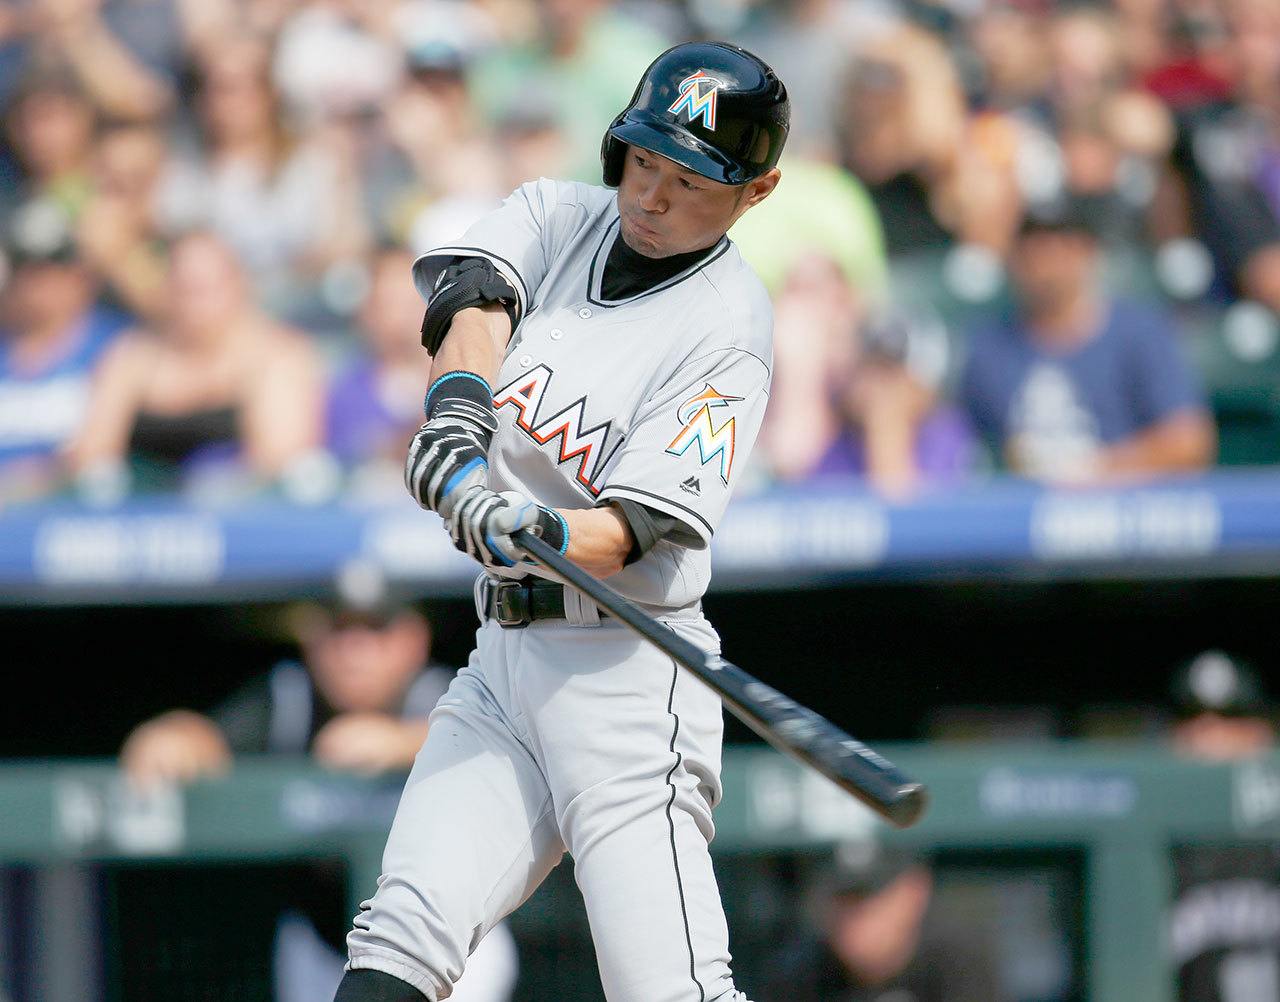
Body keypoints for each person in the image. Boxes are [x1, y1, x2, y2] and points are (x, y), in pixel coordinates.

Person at [336, 41, 788, 1002]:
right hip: (503, 662)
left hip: (630, 677)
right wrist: (459, 413)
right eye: (645, 162)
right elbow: (473, 300)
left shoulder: (730, 332)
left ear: (757, 191)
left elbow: (631, 533)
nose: (652, 197)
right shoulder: (559, 212)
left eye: (692, 180)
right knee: (396, 945)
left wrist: (526, 523)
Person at [120, 595, 519, 1002]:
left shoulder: (447, 691)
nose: (355, 652)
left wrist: (402, 741)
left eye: (375, 630)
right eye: (340, 631)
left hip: (452, 948)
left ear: (413, 639)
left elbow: (510, 742)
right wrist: (175, 734)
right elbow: (211, 738)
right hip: (323, 947)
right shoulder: (290, 698)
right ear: (311, 639)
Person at [960, 209, 1216, 484]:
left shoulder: (1140, 333)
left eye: (1062, 250)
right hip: (1021, 513)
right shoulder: (991, 346)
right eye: (1036, 251)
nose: (1047, 266)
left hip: (1125, 507)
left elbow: (1189, 442)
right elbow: (960, 437)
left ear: (1088, 254)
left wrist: (1096, 470)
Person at [67, 229, 323, 494]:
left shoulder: (276, 355)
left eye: (205, 288)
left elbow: (278, 459)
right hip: (146, 515)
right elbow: (91, 454)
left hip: (239, 516)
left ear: (238, 285)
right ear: (166, 288)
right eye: (184, 288)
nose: (194, 304)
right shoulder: (132, 355)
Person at [1166, 650, 1280, 1002]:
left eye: (1230, 717)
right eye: (1192, 718)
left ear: (1263, 733)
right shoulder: (1153, 854)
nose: (1208, 733)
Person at [760, 843, 1003, 1002]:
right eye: (843, 899)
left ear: (914, 892)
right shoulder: (799, 977)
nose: (853, 916)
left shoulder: (957, 963)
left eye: (867, 899)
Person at [0, 198, 126, 500]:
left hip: (74, 514)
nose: (37, 285)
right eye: (26, 270)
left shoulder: (117, 346)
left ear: (79, 274)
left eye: (51, 269)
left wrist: (24, 483)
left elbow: (96, 451)